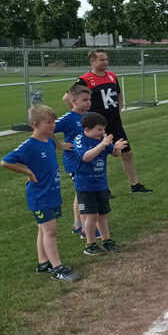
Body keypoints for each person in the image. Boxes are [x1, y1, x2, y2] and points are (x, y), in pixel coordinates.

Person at [0, 105, 79, 281]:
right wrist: (27, 172)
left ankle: (43, 263)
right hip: (40, 195)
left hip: (52, 193)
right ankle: (57, 268)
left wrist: (59, 144)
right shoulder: (29, 145)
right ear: (36, 125)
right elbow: (5, 162)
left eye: (53, 122)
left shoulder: (49, 140)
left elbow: (54, 142)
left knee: (43, 230)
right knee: (50, 231)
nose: (53, 125)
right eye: (48, 122)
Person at [63, 49, 152, 194]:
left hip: (114, 123)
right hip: (96, 126)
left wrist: (119, 111)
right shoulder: (84, 80)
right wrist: (81, 115)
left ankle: (135, 185)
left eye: (106, 59)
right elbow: (67, 98)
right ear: (92, 61)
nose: (105, 62)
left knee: (127, 153)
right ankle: (101, 188)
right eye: (101, 60)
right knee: (97, 156)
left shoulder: (112, 76)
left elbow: (118, 95)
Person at [74, 112, 128, 255]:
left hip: (101, 184)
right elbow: (86, 157)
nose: (102, 132)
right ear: (87, 130)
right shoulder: (80, 139)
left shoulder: (101, 139)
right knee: (92, 216)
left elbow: (115, 154)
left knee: (103, 214)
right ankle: (90, 244)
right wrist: (102, 144)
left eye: (103, 129)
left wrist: (116, 148)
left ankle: (106, 239)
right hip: (85, 185)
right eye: (99, 129)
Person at [54, 85, 100, 240]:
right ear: (73, 101)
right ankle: (87, 230)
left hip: (87, 160)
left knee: (79, 193)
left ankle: (78, 225)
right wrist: (59, 145)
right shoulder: (68, 118)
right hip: (74, 162)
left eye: (89, 99)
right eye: (85, 100)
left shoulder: (88, 116)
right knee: (84, 194)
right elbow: (47, 129)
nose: (89, 102)